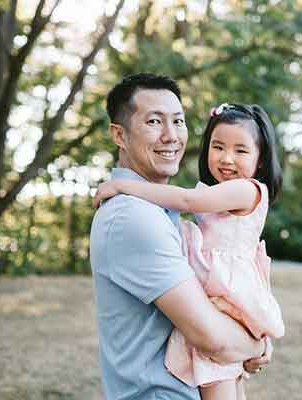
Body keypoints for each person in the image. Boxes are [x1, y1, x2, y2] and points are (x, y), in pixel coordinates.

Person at [90, 74, 271, 400]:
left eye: (178, 121)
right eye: (154, 121)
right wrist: (256, 342)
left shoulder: (159, 208)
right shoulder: (134, 215)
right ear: (119, 134)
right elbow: (211, 338)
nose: (170, 136)